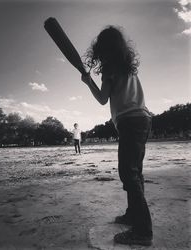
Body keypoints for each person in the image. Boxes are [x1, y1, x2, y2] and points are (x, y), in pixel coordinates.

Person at [81, 26, 153, 246]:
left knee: (128, 173)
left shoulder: (110, 67)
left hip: (130, 121)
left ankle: (143, 232)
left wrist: (88, 82)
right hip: (143, 118)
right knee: (134, 172)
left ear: (103, 49)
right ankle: (132, 214)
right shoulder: (128, 67)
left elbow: (103, 99)